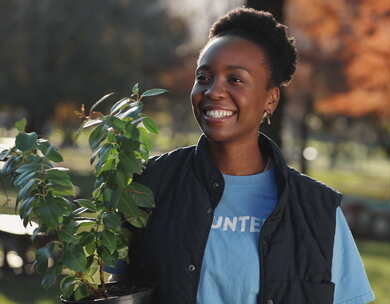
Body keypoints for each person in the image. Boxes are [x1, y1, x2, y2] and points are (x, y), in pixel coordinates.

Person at [114, 7, 375, 304]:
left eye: (235, 79)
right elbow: (109, 287)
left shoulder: (319, 212)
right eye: (204, 77)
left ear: (270, 99)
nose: (213, 91)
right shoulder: (151, 185)